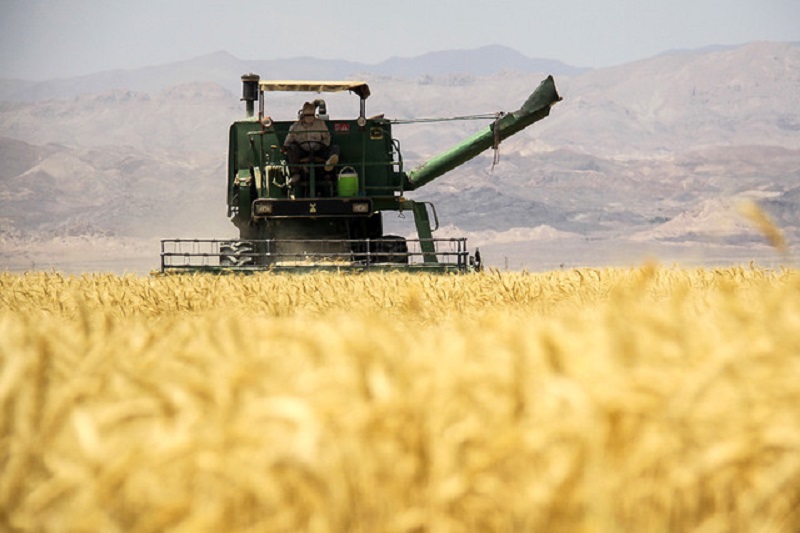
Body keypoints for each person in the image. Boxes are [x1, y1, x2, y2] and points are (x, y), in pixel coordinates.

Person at [283, 102, 340, 185]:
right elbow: (289, 139)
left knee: (335, 148)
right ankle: (295, 174)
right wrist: (285, 147)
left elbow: (327, 137)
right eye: (307, 115)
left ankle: (329, 166)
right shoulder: (296, 126)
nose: (309, 117)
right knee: (292, 148)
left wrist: (323, 145)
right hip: (303, 151)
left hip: (318, 150)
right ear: (303, 115)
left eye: (311, 115)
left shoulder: (320, 124)